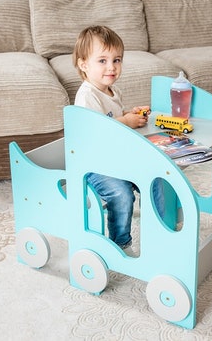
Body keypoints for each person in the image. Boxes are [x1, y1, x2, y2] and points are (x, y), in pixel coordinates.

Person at [73, 25, 165, 257]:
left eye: (117, 60)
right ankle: (120, 244)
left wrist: (130, 114)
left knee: (156, 176)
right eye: (102, 61)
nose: (111, 67)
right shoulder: (87, 96)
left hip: (116, 158)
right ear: (84, 64)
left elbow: (115, 119)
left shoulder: (113, 91)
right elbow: (97, 132)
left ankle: (162, 223)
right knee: (122, 194)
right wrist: (125, 120)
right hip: (94, 165)